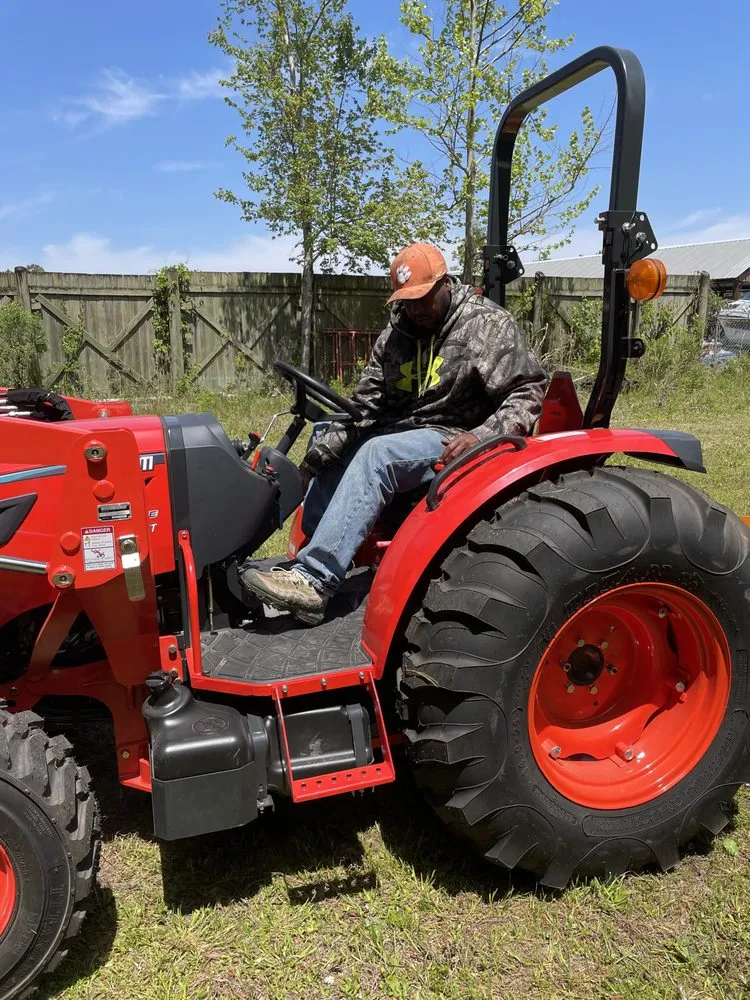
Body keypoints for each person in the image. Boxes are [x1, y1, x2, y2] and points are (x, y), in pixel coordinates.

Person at [242, 242, 546, 624]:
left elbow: (528, 388)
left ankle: (315, 580)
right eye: (407, 300)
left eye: (422, 298)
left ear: (445, 284)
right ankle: (308, 560)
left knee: (377, 455)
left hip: (453, 434)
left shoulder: (484, 324)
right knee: (329, 440)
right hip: (401, 429)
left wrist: (484, 434)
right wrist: (311, 464)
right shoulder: (397, 331)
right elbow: (366, 405)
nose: (415, 308)